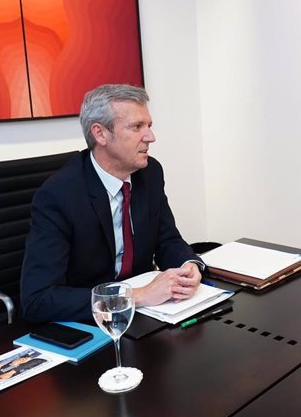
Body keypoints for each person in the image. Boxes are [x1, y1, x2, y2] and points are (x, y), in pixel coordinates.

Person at [21, 84, 204, 322]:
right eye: (137, 127)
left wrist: (188, 267)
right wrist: (136, 296)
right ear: (100, 134)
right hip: (88, 322)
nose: (150, 137)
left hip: (145, 317)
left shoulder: (150, 173)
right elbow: (38, 299)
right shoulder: (59, 196)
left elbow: (166, 239)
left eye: (149, 126)